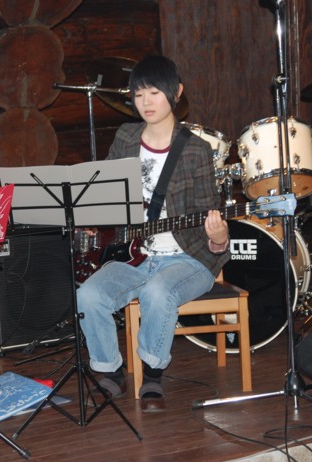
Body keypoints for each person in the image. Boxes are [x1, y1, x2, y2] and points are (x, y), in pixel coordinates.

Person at [77, 56, 230, 412]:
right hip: (134, 255)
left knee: (158, 290)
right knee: (89, 295)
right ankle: (110, 371)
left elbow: (209, 223)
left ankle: (152, 372)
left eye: (154, 92)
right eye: (138, 94)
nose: (145, 102)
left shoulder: (195, 149)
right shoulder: (126, 137)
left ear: (176, 93)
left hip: (187, 258)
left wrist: (219, 237)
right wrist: (93, 220)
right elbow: (106, 196)